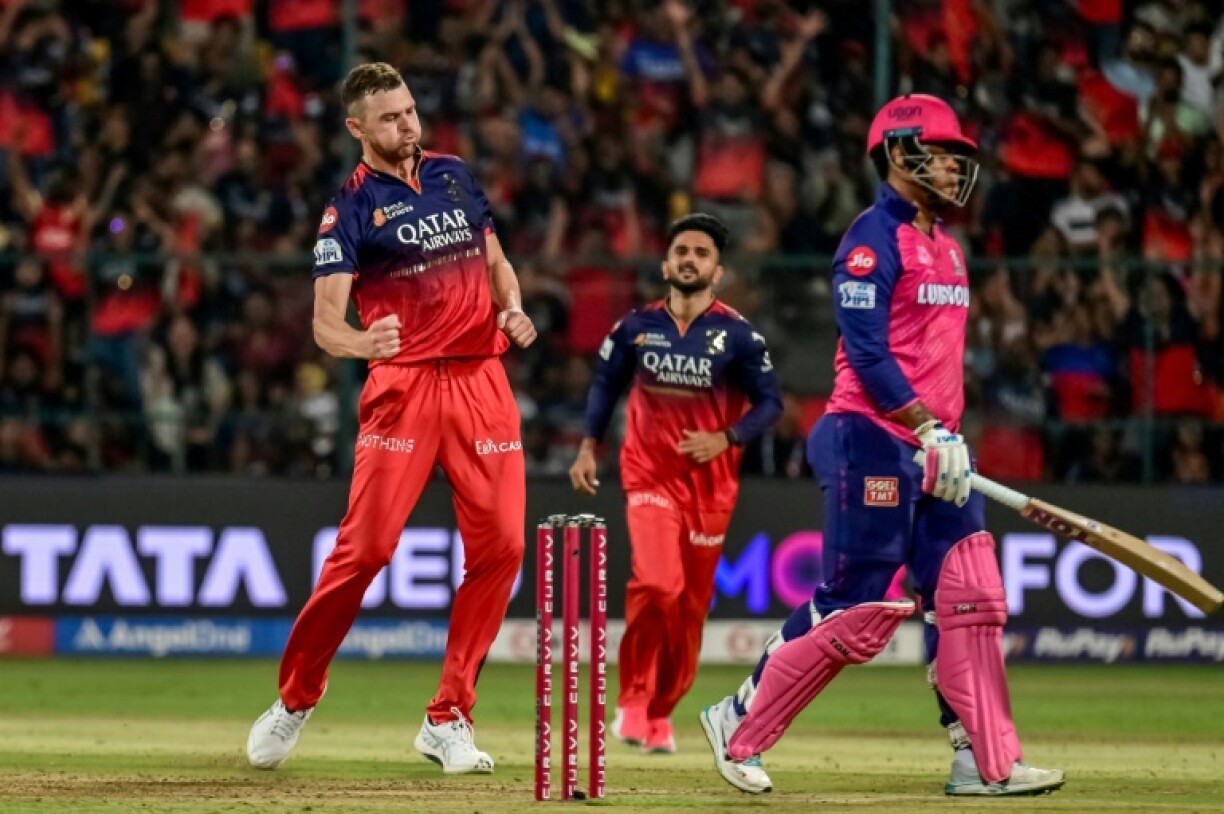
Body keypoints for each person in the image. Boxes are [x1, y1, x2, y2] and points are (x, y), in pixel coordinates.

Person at [698, 95, 1066, 797]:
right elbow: (867, 355)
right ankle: (737, 720)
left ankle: (983, 762)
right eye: (942, 153)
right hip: (869, 437)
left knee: (971, 597)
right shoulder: (870, 240)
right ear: (899, 154)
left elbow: (936, 362)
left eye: (959, 157)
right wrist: (926, 427)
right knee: (856, 605)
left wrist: (945, 437)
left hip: (940, 450)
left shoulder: (949, 248)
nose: (956, 167)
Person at [246, 62, 537, 774]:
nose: (407, 125)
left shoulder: (454, 176)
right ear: (357, 128)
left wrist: (513, 307)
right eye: (390, 118)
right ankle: (295, 698)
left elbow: (497, 263)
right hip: (403, 387)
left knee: (503, 546)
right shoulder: (347, 208)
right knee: (367, 550)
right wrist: (361, 344)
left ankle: (449, 717)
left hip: (480, 378)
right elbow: (325, 324)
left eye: (409, 111)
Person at [569, 213, 782, 754]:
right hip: (648, 477)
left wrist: (726, 438)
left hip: (711, 490)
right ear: (665, 265)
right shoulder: (635, 327)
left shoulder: (740, 336)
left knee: (688, 610)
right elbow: (605, 385)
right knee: (658, 585)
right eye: (682, 251)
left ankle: (662, 711)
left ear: (717, 271)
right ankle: (633, 699)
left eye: (701, 253)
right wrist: (589, 447)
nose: (690, 259)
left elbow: (771, 405)